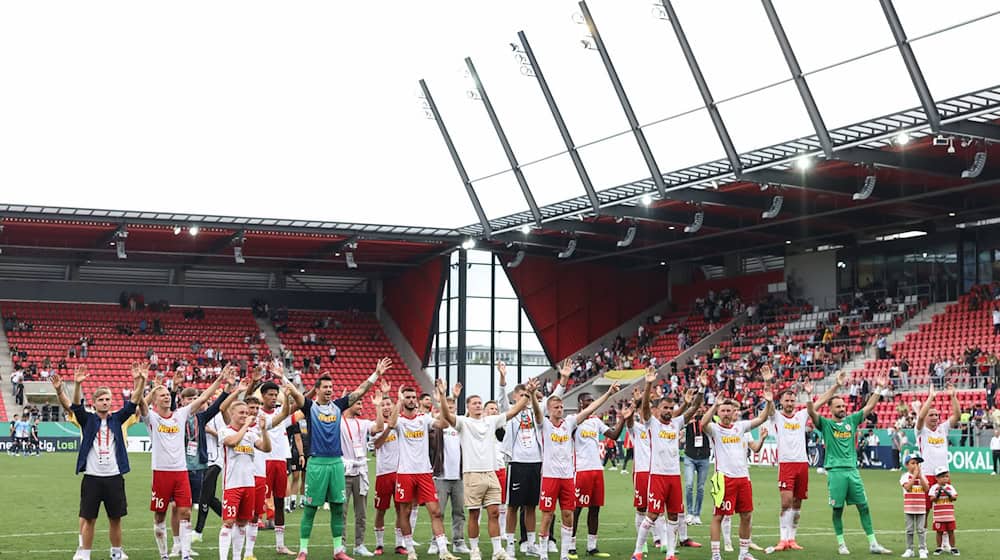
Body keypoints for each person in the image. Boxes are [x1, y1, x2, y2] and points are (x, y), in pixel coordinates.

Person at [286, 357, 392, 560]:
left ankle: (338, 551)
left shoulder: (338, 406)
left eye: (331, 387)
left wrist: (376, 374)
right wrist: (281, 376)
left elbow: (360, 390)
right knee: (310, 509)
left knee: (337, 508)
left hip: (336, 464)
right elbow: (295, 393)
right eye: (325, 387)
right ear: (317, 389)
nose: (329, 390)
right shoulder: (310, 407)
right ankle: (303, 550)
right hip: (316, 463)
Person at [51, 365, 146, 560]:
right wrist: (77, 384)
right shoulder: (87, 420)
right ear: (93, 403)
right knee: (89, 519)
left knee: (115, 519)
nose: (105, 402)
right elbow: (75, 406)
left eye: (108, 399)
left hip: (114, 477)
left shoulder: (118, 419)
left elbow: (134, 401)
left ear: (112, 402)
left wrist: (141, 380)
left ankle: (117, 552)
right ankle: (85, 554)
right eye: (101, 400)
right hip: (92, 478)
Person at [438, 377, 535, 560]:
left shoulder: (491, 421)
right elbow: (446, 414)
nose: (477, 405)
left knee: (495, 512)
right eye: (474, 403)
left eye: (479, 403)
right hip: (472, 473)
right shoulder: (462, 422)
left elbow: (514, 410)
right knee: (474, 513)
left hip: (491, 472)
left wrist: (528, 393)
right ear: (468, 407)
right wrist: (443, 396)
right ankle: (475, 550)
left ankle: (498, 551)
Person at [145, 364, 234, 560]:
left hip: (181, 471)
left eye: (168, 394)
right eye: (162, 395)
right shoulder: (151, 418)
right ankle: (164, 555)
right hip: (161, 472)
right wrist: (150, 387)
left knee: (185, 511)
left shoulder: (181, 414)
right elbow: (137, 405)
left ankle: (185, 554)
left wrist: (220, 379)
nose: (167, 396)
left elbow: (203, 399)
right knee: (160, 515)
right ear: (154, 401)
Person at [532, 381, 621, 560]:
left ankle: (565, 554)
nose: (560, 409)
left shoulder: (570, 423)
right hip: (550, 477)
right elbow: (536, 411)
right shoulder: (544, 425)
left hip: (567, 477)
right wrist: (533, 395)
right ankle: (543, 553)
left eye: (562, 406)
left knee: (568, 514)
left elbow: (590, 409)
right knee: (547, 515)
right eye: (556, 407)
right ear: (549, 410)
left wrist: (609, 393)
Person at [805, 371, 892, 555]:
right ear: (831, 409)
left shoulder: (851, 421)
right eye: (838, 406)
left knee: (864, 506)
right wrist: (807, 396)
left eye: (843, 405)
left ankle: (873, 543)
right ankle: (841, 543)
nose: (843, 408)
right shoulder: (826, 425)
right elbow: (811, 412)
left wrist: (878, 389)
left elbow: (868, 408)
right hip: (835, 472)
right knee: (837, 510)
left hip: (853, 470)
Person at [497, 361, 569, 558]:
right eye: (522, 395)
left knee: (531, 505)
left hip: (537, 464)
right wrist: (502, 378)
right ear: (515, 397)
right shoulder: (511, 412)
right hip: (517, 464)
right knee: (513, 506)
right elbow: (501, 400)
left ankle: (530, 544)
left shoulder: (538, 411)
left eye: (527, 395)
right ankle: (510, 546)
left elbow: (556, 399)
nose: (525, 398)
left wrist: (563, 379)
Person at [630, 368, 703, 560]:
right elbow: (645, 408)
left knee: (673, 517)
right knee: (652, 515)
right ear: (659, 409)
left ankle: (670, 553)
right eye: (665, 408)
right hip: (657, 476)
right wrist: (648, 384)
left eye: (671, 408)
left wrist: (702, 389)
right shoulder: (651, 423)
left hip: (673, 477)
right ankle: (637, 551)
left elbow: (693, 409)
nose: (669, 411)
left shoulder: (676, 423)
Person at [701, 376, 773, 560]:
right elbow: (702, 423)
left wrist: (769, 400)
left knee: (746, 515)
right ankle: (716, 554)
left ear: (734, 411)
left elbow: (763, 417)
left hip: (743, 478)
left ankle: (743, 553)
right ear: (718, 412)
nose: (725, 413)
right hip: (723, 479)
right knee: (719, 516)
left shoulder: (740, 427)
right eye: (722, 410)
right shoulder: (715, 429)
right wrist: (713, 405)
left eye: (728, 410)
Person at [388, 380, 459, 560]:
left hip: (424, 472)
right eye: (408, 397)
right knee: (404, 512)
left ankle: (443, 551)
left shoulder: (423, 419)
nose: (411, 400)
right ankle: (410, 549)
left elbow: (443, 424)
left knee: (435, 511)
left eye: (413, 397)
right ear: (403, 400)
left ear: (417, 401)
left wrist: (442, 396)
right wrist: (398, 400)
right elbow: (390, 423)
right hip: (405, 472)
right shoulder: (400, 421)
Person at [569, 387, 629, 558]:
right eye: (589, 401)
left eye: (593, 400)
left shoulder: (595, 422)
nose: (592, 404)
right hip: (581, 470)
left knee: (595, 509)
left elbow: (614, 435)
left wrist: (623, 419)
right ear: (581, 403)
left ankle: (592, 546)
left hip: (597, 470)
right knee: (577, 509)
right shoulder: (573, 421)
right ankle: (570, 546)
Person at [218, 399, 272, 560]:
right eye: (241, 413)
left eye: (246, 413)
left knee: (242, 523)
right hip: (232, 485)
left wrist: (263, 431)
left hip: (249, 484)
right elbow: (233, 442)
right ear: (232, 414)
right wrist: (246, 426)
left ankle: (236, 557)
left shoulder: (250, 434)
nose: (245, 415)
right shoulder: (225, 431)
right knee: (228, 522)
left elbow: (266, 448)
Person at [259, 370, 304, 555]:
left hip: (280, 461)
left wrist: (285, 382)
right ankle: (247, 545)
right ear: (262, 396)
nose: (273, 397)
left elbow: (301, 402)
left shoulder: (281, 413)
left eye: (275, 394)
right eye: (270, 394)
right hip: (263, 462)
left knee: (279, 502)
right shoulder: (256, 414)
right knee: (256, 503)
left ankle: (280, 544)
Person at [768, 372, 811, 551]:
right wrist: (768, 382)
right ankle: (782, 539)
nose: (790, 403)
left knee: (797, 503)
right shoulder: (776, 416)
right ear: (781, 402)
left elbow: (819, 404)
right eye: (787, 400)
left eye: (792, 400)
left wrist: (809, 394)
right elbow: (769, 407)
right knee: (786, 502)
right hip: (786, 464)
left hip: (802, 463)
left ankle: (792, 539)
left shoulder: (801, 416)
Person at [430, 389, 469, 556]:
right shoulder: (437, 426)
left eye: (453, 406)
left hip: (459, 475)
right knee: (438, 511)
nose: (450, 409)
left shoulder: (461, 425)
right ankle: (435, 541)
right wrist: (441, 401)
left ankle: (458, 541)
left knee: (459, 511)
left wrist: (454, 396)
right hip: (441, 475)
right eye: (448, 406)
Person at [369, 382, 403, 555]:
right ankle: (379, 544)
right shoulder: (374, 425)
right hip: (383, 473)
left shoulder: (400, 424)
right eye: (383, 404)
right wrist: (379, 405)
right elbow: (377, 444)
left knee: (400, 509)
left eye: (389, 404)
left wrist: (397, 400)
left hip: (400, 473)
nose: (386, 407)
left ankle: (399, 544)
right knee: (380, 510)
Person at [916, 384, 961, 512]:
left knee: (945, 504)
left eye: (936, 415)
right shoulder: (921, 431)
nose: (935, 417)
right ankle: (922, 531)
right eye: (931, 415)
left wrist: (953, 397)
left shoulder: (943, 429)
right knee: (926, 508)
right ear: (926, 418)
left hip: (943, 474)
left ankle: (945, 532)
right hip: (928, 473)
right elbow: (919, 417)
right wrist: (931, 397)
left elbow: (957, 416)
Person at [899, 454, 929, 559]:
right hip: (909, 508)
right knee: (909, 530)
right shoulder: (905, 476)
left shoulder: (922, 476)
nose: (915, 465)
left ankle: (922, 549)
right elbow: (907, 487)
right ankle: (909, 549)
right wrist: (915, 476)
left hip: (921, 508)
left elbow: (926, 488)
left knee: (921, 530)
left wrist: (919, 476)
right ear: (907, 465)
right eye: (913, 463)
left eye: (917, 463)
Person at [927, 467, 958, 556]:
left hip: (949, 515)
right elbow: (932, 499)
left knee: (951, 531)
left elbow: (954, 498)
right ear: (936, 478)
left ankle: (953, 547)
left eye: (946, 476)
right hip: (939, 516)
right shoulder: (934, 488)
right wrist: (938, 494)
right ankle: (939, 547)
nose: (945, 478)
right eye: (942, 477)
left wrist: (948, 493)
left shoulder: (950, 487)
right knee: (939, 532)